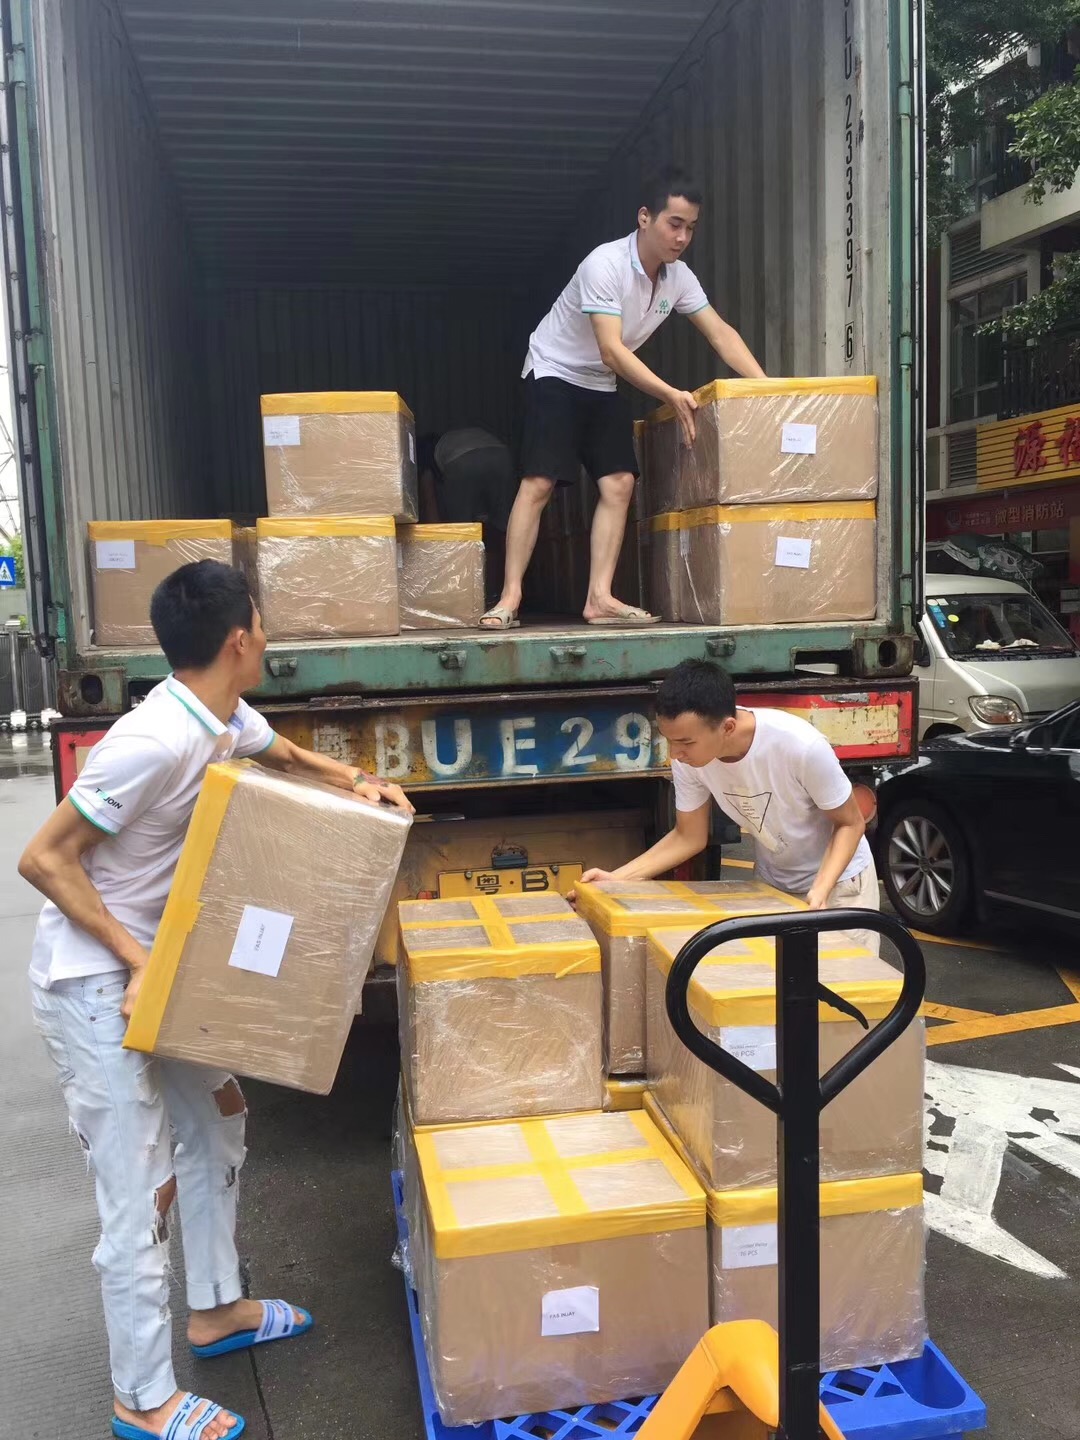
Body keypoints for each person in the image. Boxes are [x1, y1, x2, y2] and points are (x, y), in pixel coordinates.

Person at [19, 560, 413, 1440]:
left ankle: (217, 1307)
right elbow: (44, 859)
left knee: (220, 1120)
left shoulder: (222, 715)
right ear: (240, 639)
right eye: (262, 625)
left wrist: (355, 782)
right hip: (96, 984)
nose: (268, 636)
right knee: (140, 1190)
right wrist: (138, 960)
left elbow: (285, 754)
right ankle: (141, 1399)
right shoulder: (153, 741)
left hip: (161, 974)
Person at [481, 168, 765, 631]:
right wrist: (670, 393)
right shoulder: (605, 264)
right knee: (540, 481)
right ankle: (510, 598)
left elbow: (720, 333)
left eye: (691, 228)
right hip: (555, 369)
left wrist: (767, 388)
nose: (682, 237)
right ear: (645, 217)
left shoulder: (678, 278)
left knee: (618, 483)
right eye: (674, 224)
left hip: (600, 380)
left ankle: (599, 598)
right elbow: (611, 349)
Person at [580, 660, 879, 947]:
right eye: (669, 740)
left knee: (847, 981)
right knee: (775, 980)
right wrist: (616, 879)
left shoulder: (800, 746)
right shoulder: (688, 760)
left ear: (728, 727)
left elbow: (850, 823)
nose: (675, 754)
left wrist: (821, 890)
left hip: (840, 886)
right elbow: (688, 836)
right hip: (772, 887)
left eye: (686, 742)